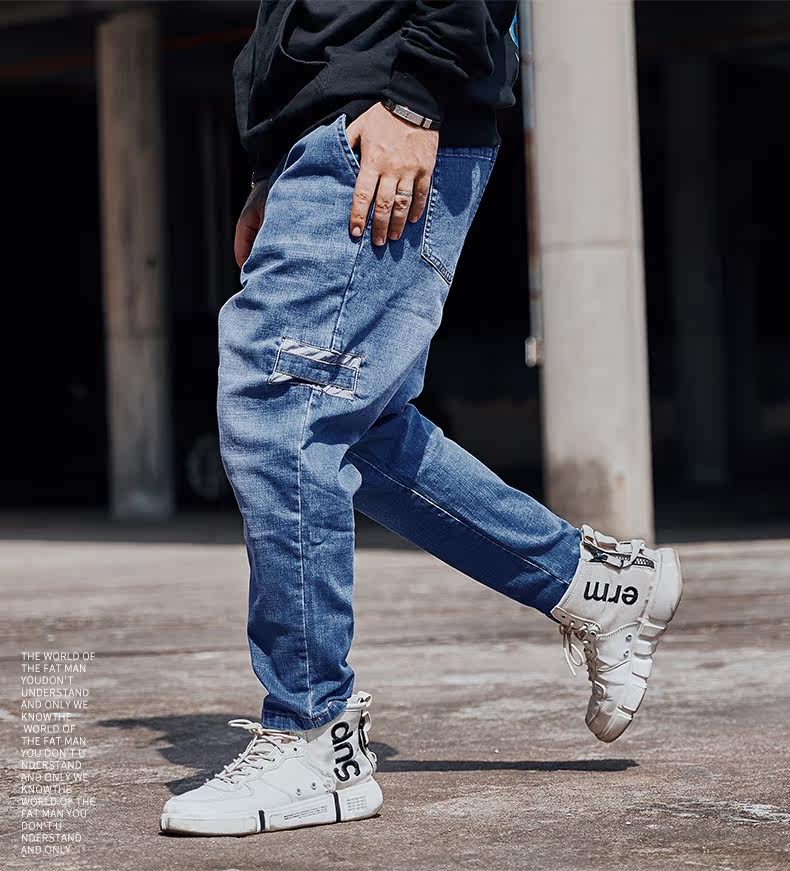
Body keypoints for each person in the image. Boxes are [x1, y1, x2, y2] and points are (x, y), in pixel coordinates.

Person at [160, 0, 682, 837]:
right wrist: (270, 163)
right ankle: (593, 584)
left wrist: (414, 96)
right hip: (329, 130)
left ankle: (312, 734)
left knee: (282, 407)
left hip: (383, 114)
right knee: (357, 429)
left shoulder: (404, 96)